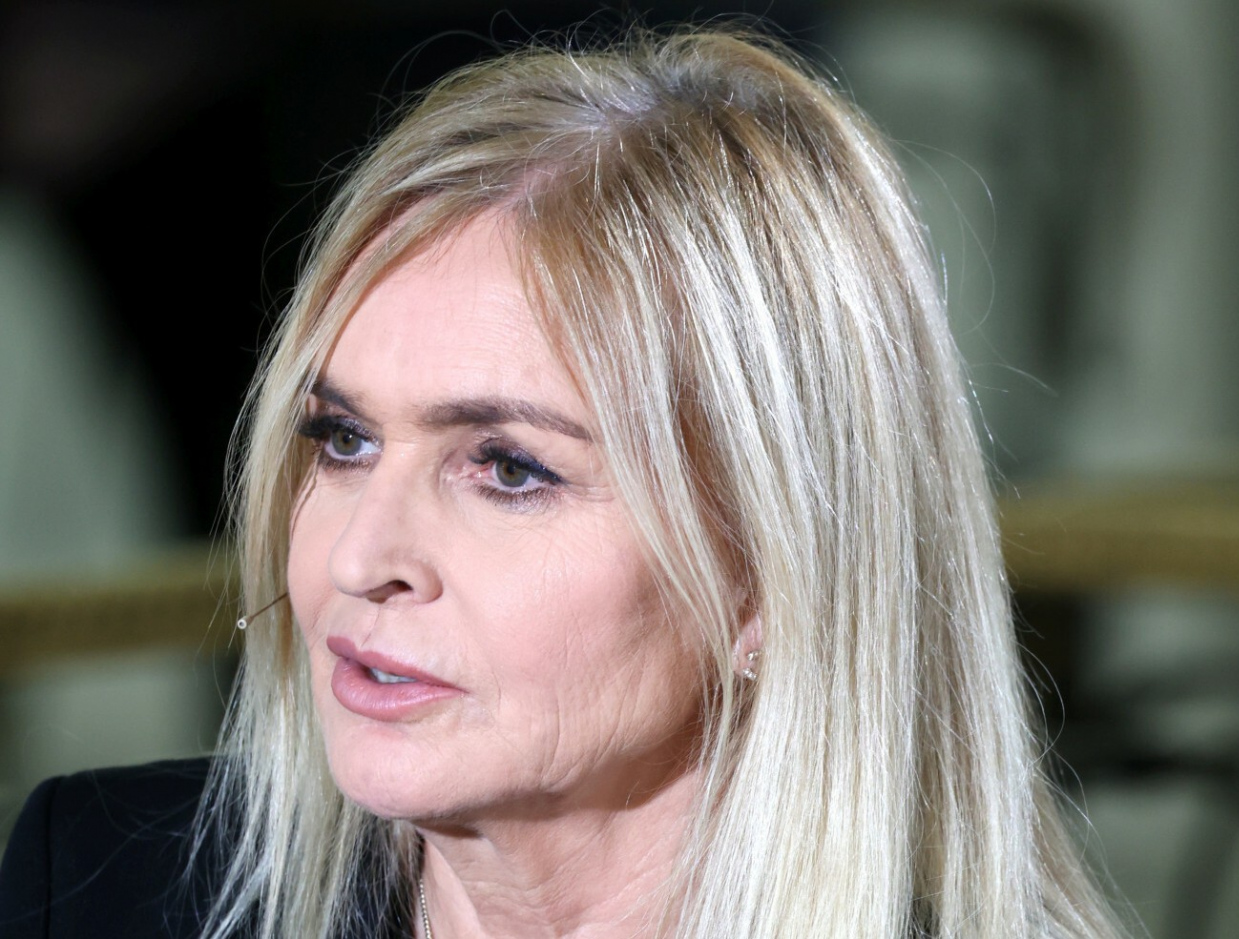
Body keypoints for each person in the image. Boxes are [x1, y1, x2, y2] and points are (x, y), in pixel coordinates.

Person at [0, 27, 1129, 939]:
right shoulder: (102, 884)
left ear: (767, 576)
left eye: (507, 468)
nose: (358, 557)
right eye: (342, 440)